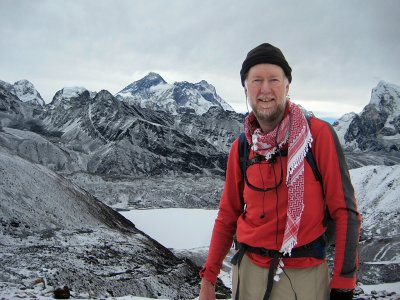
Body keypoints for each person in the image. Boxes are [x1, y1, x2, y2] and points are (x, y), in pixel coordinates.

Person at [198, 43, 361, 300]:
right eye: (256, 80)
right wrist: (208, 279)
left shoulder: (317, 136)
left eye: (274, 79)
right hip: (247, 274)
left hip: (303, 276)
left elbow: (345, 212)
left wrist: (343, 284)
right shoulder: (241, 147)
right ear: (246, 88)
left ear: (287, 86)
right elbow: (228, 213)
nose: (265, 89)